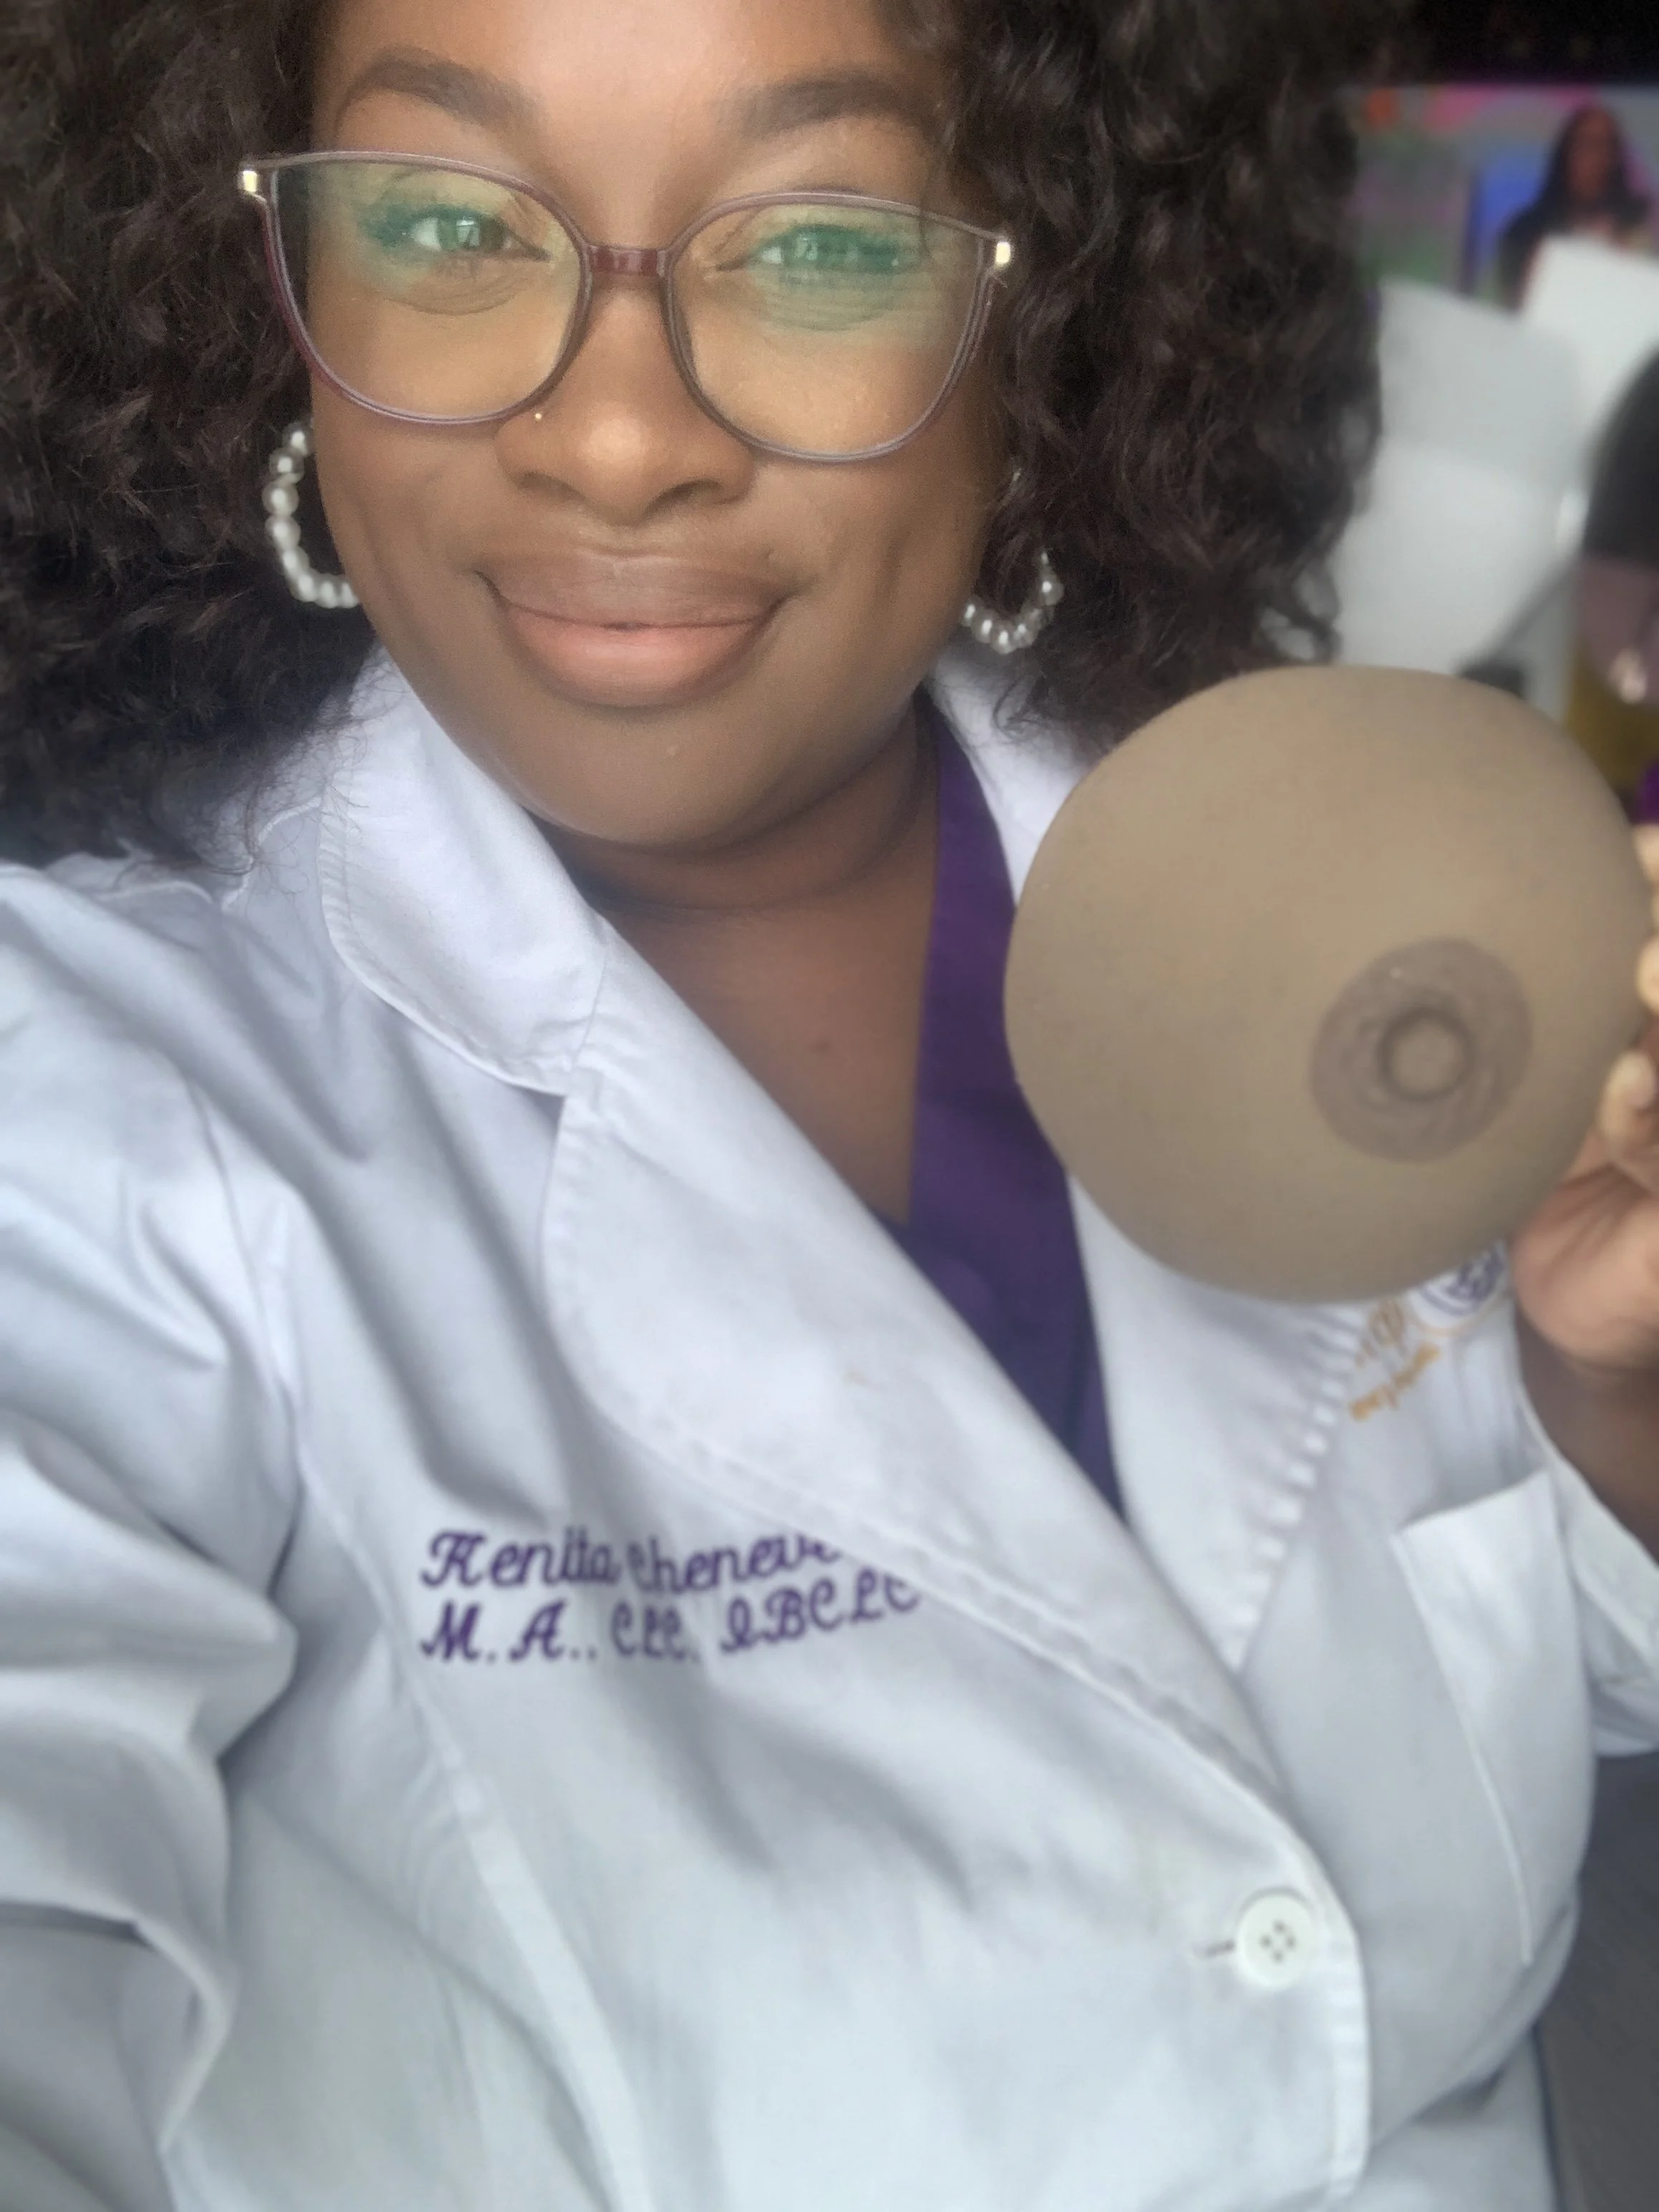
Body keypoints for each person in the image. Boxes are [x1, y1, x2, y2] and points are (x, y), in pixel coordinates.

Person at [2, 2, 1659, 2209]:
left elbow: (1560, 1661)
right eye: (436, 219)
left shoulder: (1308, 888)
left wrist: (1605, 1385)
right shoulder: (89, 1081)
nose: (613, 437)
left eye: (816, 246)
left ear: (1043, 296)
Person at [1494, 102, 1654, 307]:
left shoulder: (1634, 232)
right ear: (1566, 153)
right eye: (1588, 145)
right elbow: (1505, 311)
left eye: (1608, 147)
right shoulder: (1524, 230)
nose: (1598, 159)